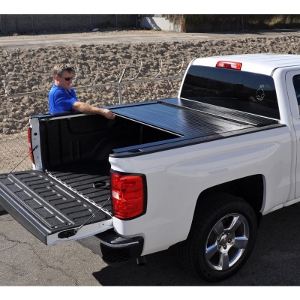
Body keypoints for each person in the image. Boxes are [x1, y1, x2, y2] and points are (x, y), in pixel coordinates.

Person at [48, 63, 115, 119]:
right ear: (57, 78)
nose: (70, 81)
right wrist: (101, 111)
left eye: (71, 78)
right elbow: (79, 106)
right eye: (67, 79)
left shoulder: (69, 90)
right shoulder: (57, 92)